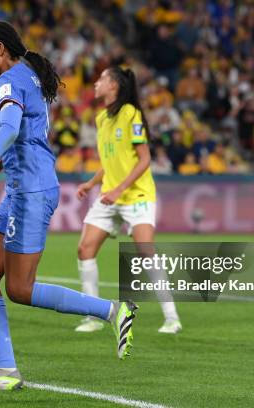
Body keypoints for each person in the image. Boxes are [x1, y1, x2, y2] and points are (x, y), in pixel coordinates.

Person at [0, 21, 137, 391]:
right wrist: (1, 162)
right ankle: (5, 373)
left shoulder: (8, 81)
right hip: (22, 187)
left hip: (31, 191)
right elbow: (28, 134)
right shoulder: (26, 75)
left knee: (20, 289)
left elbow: (11, 128)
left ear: (0, 49)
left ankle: (114, 311)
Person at [75, 66, 182, 334]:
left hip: (136, 195)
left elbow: (144, 159)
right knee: (85, 250)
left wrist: (119, 189)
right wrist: (92, 182)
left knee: (146, 251)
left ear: (114, 86)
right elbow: (111, 161)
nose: (97, 83)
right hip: (110, 194)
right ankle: (93, 316)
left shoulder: (131, 114)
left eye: (102, 79)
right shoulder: (101, 119)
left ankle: (172, 317)